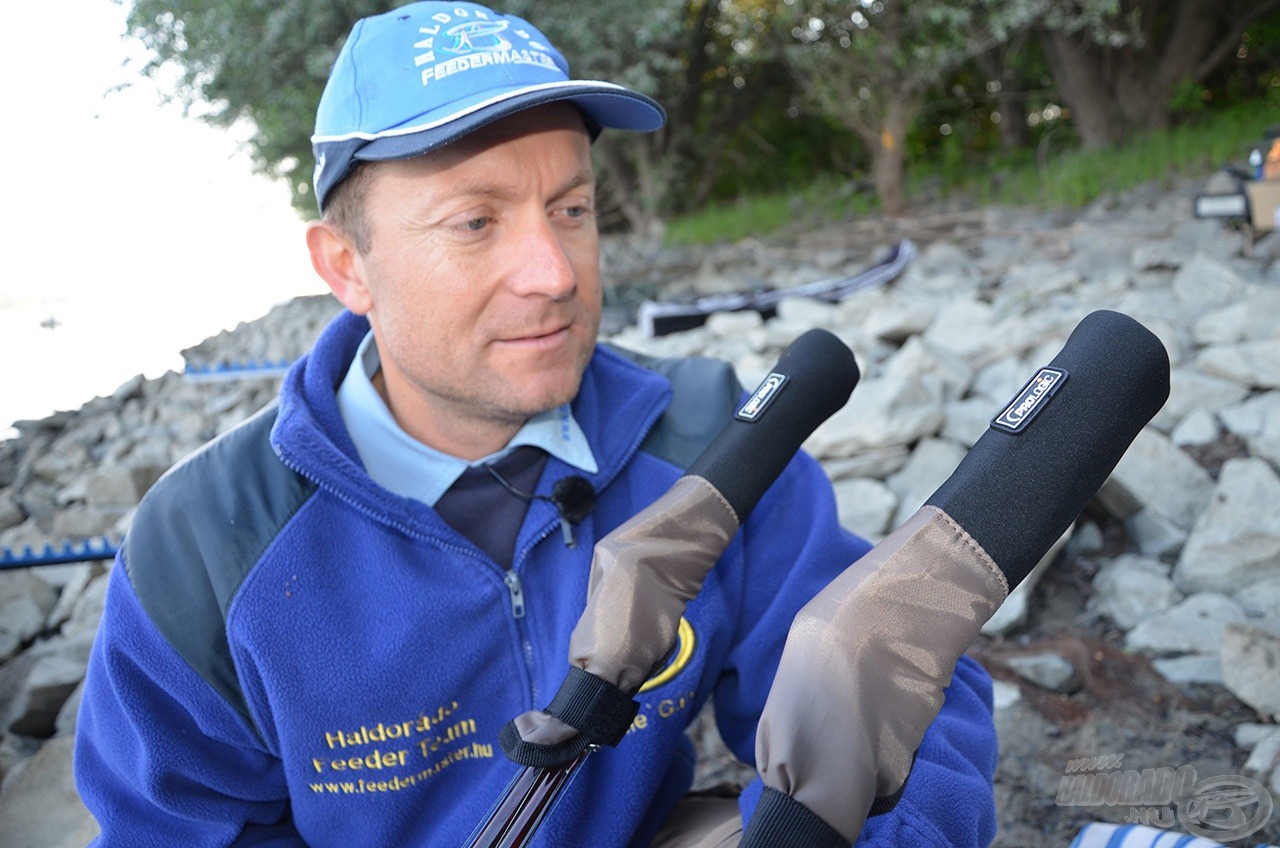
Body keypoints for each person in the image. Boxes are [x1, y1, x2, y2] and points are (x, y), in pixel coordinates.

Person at [73, 3, 999, 845]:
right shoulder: (205, 547)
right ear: (347, 267)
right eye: (476, 221)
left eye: (573, 208)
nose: (554, 273)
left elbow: (901, 687)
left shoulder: (712, 440)